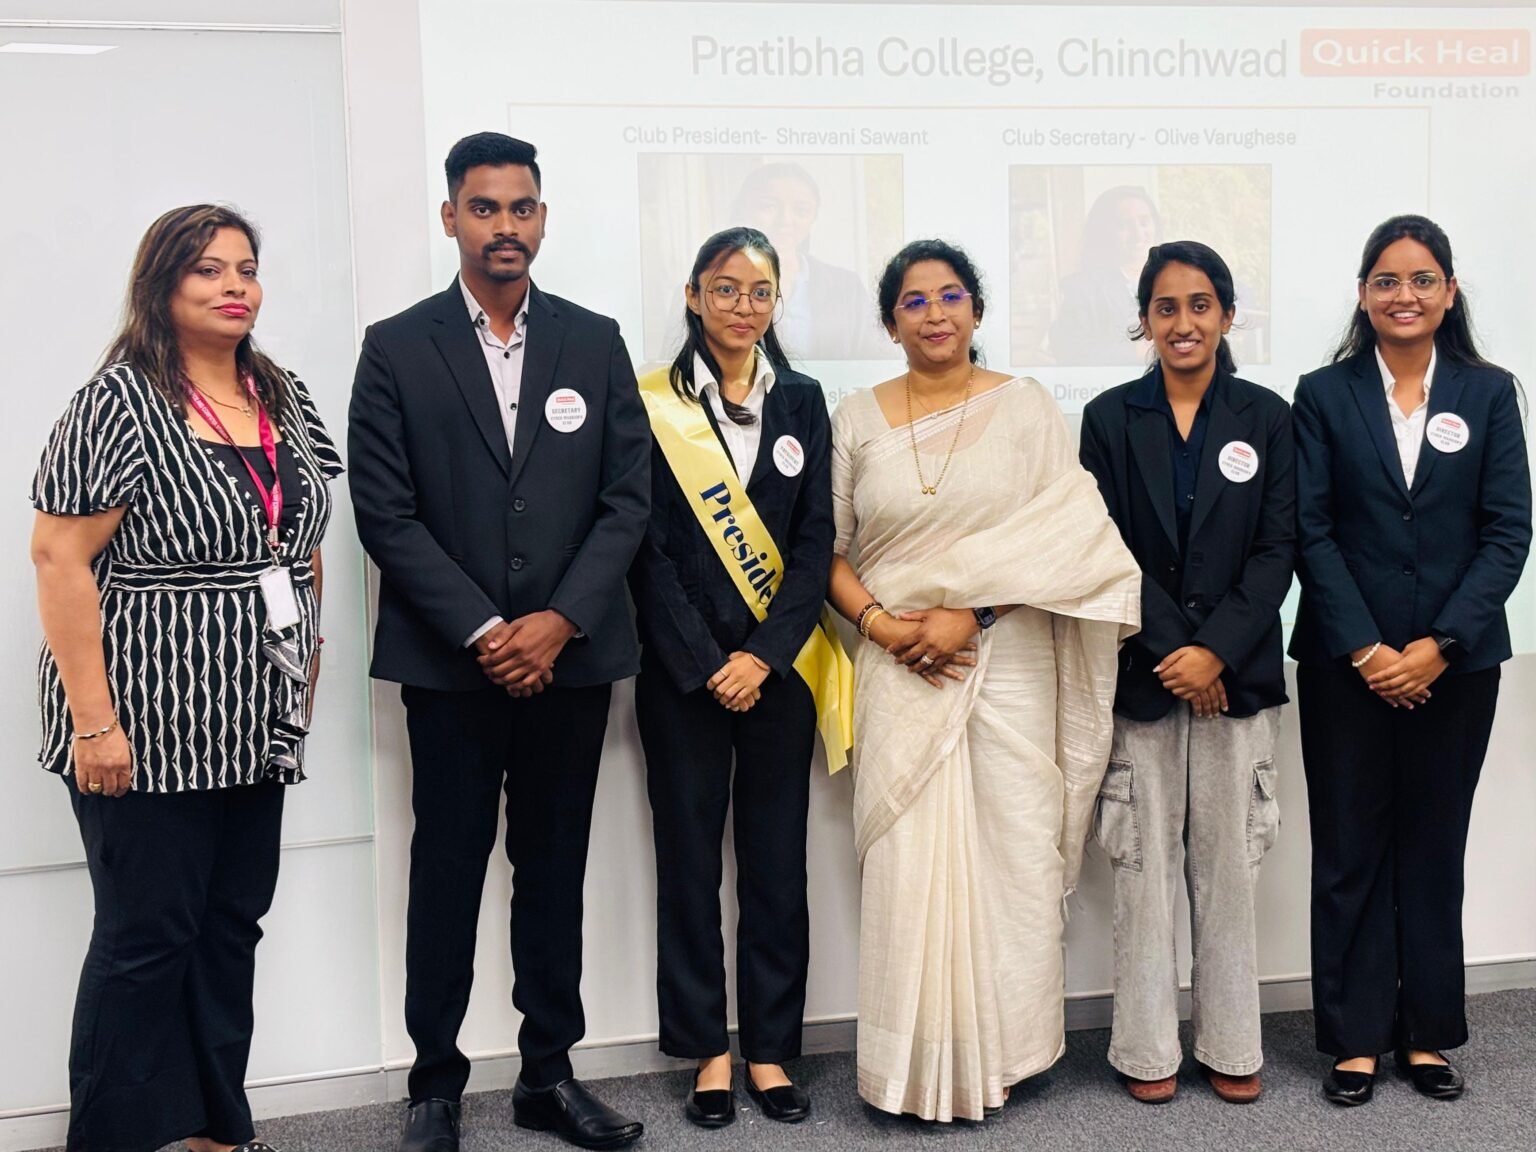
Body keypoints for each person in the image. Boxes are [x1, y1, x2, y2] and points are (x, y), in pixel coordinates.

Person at [347, 133, 650, 1152]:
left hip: (573, 660)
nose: (504, 226)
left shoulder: (594, 342)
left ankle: (547, 1076)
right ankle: (433, 1086)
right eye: (484, 208)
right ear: (451, 218)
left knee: (553, 872)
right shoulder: (396, 346)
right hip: (451, 666)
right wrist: (486, 630)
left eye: (521, 208)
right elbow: (385, 514)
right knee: (447, 872)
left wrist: (558, 621)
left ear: (543, 219)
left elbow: (626, 500)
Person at [31, 204, 343, 1152]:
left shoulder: (279, 391)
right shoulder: (119, 401)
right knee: (145, 938)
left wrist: (306, 669)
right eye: (208, 269)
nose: (234, 286)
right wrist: (94, 724)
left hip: (256, 717)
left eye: (246, 268)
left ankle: (214, 1128)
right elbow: (58, 559)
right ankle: (111, 1139)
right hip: (146, 717)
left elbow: (304, 540)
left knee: (229, 926)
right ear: (161, 284)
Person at [826, 239, 1140, 1121]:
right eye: (915, 301)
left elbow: (1072, 537)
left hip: (1009, 662)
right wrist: (884, 626)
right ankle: (912, 1067)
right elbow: (830, 551)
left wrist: (976, 612)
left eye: (951, 296)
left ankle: (1008, 1053)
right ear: (890, 322)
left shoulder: (1026, 406)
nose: (935, 313)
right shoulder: (856, 418)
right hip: (899, 665)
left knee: (1014, 855)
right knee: (908, 864)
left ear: (976, 309)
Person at [1290, 215, 1531, 1106]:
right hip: (1344, 664)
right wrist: (1367, 647)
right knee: (1349, 849)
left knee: (1433, 848)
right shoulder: (1323, 394)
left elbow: (1509, 531)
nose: (1405, 295)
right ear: (1363, 295)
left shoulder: (1488, 392)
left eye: (1423, 279)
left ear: (1449, 292)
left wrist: (1438, 646)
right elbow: (1310, 528)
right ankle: (1355, 1040)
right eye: (1387, 280)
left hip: (1456, 670)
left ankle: (1426, 1033)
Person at [628, 226, 848, 1129]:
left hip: (778, 674)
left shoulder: (802, 399)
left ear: (775, 302)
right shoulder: (650, 401)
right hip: (683, 677)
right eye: (725, 289)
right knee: (687, 864)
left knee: (776, 864)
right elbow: (642, 546)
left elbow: (814, 540)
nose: (742, 306)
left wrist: (764, 655)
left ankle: (768, 1048)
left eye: (759, 291)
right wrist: (709, 661)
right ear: (693, 296)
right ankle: (706, 1051)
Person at [1079, 241, 1295, 1104]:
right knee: (1141, 872)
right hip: (1145, 677)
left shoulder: (1266, 416)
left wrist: (1218, 652)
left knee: (1229, 870)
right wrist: (1180, 654)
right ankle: (1145, 1050)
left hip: (1236, 684)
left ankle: (1233, 1043)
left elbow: (1278, 549)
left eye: (1200, 305)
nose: (1183, 322)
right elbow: (1103, 546)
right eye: (1165, 307)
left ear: (1227, 316)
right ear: (1145, 320)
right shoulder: (1108, 418)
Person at [732, 162, 891, 360]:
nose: (785, 220)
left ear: (813, 217)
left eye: (801, 210)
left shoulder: (847, 288)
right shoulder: (718, 283)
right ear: (745, 209)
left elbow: (873, 359)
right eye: (769, 206)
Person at [1050, 185, 1161, 366]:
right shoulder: (1081, 289)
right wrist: (1135, 351)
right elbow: (1069, 351)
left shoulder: (1173, 279)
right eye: (1124, 225)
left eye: (1144, 222)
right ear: (1103, 233)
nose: (1138, 234)